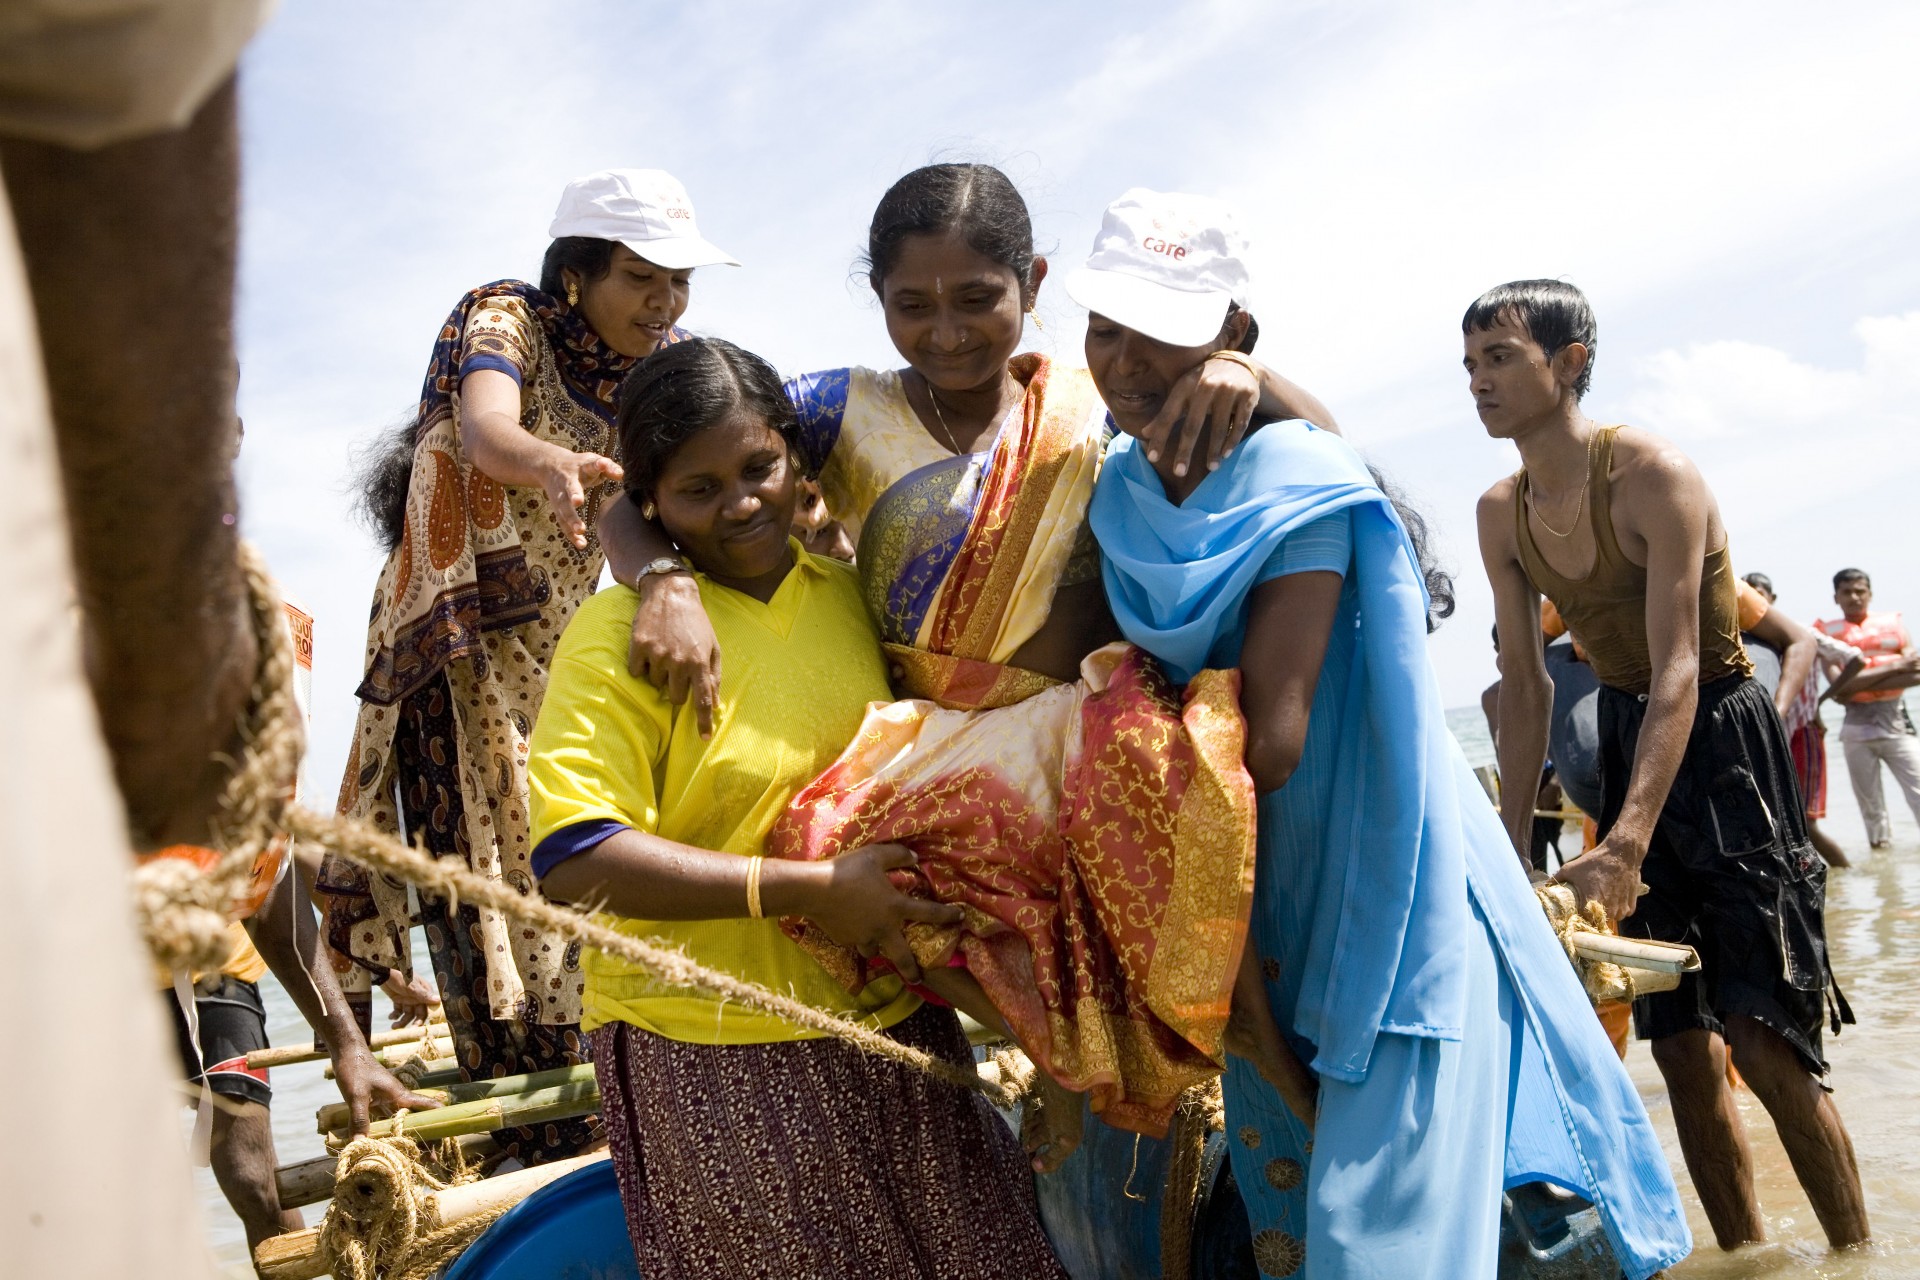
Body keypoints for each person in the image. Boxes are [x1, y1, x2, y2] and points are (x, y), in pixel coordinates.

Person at [601, 164, 1333, 1159]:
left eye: (977, 300)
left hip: (1085, 717)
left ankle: (1264, 1053)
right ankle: (1054, 1050)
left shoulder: (1091, 400)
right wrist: (662, 584)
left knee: (1184, 780)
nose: (944, 331)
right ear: (878, 301)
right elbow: (635, 493)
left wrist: (1248, 369)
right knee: (816, 846)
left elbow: (1320, 448)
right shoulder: (834, 409)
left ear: (1031, 283)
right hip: (942, 748)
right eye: (912, 305)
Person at [1082, 195, 1688, 1280]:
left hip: (1382, 866)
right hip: (1240, 881)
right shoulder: (1114, 489)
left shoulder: (1305, 478)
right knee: (1300, 1188)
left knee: (1394, 1215)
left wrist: (1108, 717)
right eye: (1103, 326)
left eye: (1161, 328)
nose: (1124, 360)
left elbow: (1271, 736)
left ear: (1232, 335)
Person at [0, 10, 427, 1273]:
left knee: (242, 1155)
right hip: (73, 938)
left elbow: (259, 853)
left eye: (223, 425)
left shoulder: (236, 617)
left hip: (201, 930)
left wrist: (345, 1035)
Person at [530, 337, 1068, 1279]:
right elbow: (575, 860)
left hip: (898, 1030)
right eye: (698, 490)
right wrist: (811, 889)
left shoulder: (860, 599)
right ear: (650, 504)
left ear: (794, 454)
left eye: (758, 468)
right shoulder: (619, 634)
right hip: (715, 1055)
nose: (741, 503)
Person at [318, 169, 737, 1163]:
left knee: (578, 848)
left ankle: (606, 1110)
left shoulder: (662, 364)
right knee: (488, 882)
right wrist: (548, 461)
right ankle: (533, 1131)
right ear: (577, 271)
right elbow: (486, 431)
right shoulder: (504, 316)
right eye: (642, 276)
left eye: (678, 279)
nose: (665, 301)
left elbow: (638, 510)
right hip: (449, 638)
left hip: (554, 643)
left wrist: (669, 581)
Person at [1471, 279, 1867, 1253]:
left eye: (1501, 358)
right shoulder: (1500, 511)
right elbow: (1523, 693)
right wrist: (1517, 850)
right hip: (1625, 734)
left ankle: (1858, 1257)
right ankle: (1750, 1260)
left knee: (1767, 1043)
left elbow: (1686, 660)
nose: (1477, 381)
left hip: (1724, 741)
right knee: (1682, 1051)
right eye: (1469, 362)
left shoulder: (1652, 474)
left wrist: (1627, 840)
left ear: (1568, 363)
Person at [1743, 571, 1854, 866]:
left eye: (1760, 593)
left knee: (1806, 822)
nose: (1755, 596)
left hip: (1800, 735)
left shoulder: (1798, 633)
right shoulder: (1747, 643)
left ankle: (1848, 873)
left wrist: (1824, 700)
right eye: (1749, 591)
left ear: (1771, 599)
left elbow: (1853, 658)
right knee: (1775, 816)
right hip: (1769, 737)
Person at [1816, 568, 1920, 849]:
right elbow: (1839, 685)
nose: (1854, 597)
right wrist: (1895, 665)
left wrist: (1856, 680)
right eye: (1847, 592)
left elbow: (1917, 673)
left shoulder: (1895, 627)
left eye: (1860, 591)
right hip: (1856, 731)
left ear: (1870, 594)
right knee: (1871, 808)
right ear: (1836, 597)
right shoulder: (1828, 634)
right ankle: (1884, 871)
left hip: (1897, 724)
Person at [1482, 622, 1566, 872]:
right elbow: (1503, 749)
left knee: (1568, 855)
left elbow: (1570, 743)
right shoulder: (1491, 697)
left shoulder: (1556, 682)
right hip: (1526, 789)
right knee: (1532, 863)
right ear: (1496, 649)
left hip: (1560, 786)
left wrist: (1556, 784)